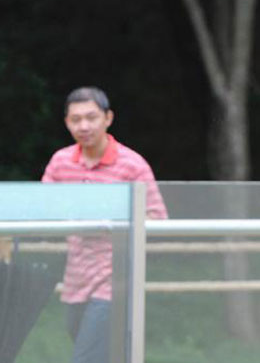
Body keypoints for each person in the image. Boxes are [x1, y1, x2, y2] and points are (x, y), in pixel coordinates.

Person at [42, 87, 167, 363]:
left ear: (108, 118)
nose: (84, 126)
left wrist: (115, 222)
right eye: (76, 119)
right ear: (66, 123)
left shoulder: (132, 165)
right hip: (76, 281)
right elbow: (43, 210)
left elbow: (158, 218)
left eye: (91, 117)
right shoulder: (61, 162)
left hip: (116, 283)